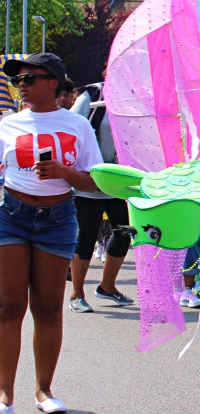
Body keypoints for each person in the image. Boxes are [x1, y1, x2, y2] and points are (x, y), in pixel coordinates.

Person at [0, 53, 103, 414]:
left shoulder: (77, 126)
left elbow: (93, 180)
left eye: (30, 78)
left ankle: (44, 390)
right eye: (18, 80)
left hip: (58, 218)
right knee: (8, 305)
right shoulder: (6, 125)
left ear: (53, 82)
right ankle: (4, 395)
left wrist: (62, 170)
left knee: (47, 307)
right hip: (11, 215)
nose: (22, 85)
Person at [68, 80, 134, 312]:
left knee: (124, 232)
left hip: (117, 180)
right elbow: (72, 125)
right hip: (90, 178)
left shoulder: (135, 94)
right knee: (86, 236)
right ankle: (77, 294)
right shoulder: (94, 92)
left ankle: (107, 286)